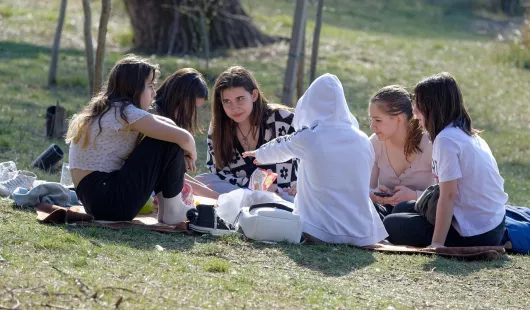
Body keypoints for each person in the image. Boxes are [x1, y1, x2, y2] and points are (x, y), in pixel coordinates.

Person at [243, 74, 388, 246]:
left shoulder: (310, 137)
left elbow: (281, 147)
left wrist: (259, 154)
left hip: (318, 231)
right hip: (360, 233)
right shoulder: (363, 139)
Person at [66, 55, 197, 224]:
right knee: (167, 140)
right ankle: (173, 209)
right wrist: (190, 153)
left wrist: (181, 147)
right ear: (134, 89)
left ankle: (169, 210)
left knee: (167, 135)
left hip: (97, 200)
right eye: (150, 86)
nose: (154, 93)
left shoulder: (109, 108)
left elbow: (169, 125)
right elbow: (184, 137)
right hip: (110, 199)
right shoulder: (126, 112)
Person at [384, 72, 507, 248]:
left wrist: (437, 243)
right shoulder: (463, 133)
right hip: (491, 225)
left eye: (418, 103)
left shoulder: (447, 140)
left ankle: (441, 238)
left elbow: (448, 195)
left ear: (432, 106)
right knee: (401, 209)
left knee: (391, 224)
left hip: (475, 232)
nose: (414, 110)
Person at [195, 66, 298, 197]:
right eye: (227, 101)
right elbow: (217, 173)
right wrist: (258, 186)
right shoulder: (219, 127)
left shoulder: (282, 120)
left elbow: (312, 157)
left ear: (254, 95)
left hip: (282, 195)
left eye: (240, 99)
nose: (234, 108)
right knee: (202, 180)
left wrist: (299, 185)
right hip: (240, 192)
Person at [368, 85, 435, 219]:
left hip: (420, 214)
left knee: (396, 219)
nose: (372, 126)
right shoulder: (374, 143)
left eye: (378, 120)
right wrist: (374, 195)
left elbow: (447, 195)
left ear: (399, 119)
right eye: (371, 120)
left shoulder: (430, 144)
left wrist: (414, 196)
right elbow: (366, 188)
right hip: (385, 212)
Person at [154, 68, 220, 199]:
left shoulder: (169, 117)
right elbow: (166, 176)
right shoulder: (154, 119)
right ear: (177, 97)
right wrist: (217, 196)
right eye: (191, 107)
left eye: (195, 108)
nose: (191, 113)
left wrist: (205, 190)